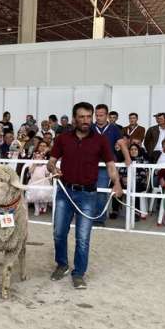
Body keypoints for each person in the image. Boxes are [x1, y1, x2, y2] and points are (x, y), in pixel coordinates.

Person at [47, 102, 124, 289]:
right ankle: (62, 264)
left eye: (89, 117)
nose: (86, 120)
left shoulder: (101, 140)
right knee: (59, 232)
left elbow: (110, 165)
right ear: (74, 118)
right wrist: (53, 169)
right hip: (64, 192)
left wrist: (117, 182)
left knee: (83, 237)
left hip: (88, 194)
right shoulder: (63, 138)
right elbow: (51, 161)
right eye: (82, 117)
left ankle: (79, 273)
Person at [93, 104, 130, 224]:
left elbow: (122, 144)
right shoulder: (90, 128)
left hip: (106, 165)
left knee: (101, 191)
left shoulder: (114, 129)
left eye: (101, 115)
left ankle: (99, 219)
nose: (98, 117)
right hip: (90, 164)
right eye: (96, 115)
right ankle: (87, 216)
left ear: (107, 115)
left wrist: (128, 158)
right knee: (87, 191)